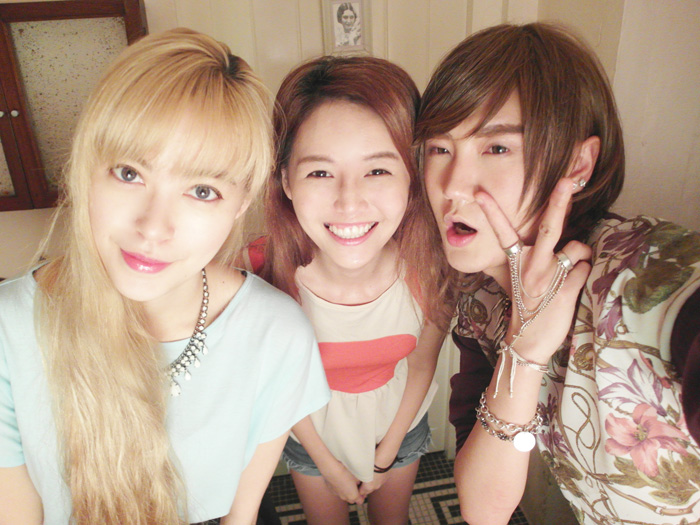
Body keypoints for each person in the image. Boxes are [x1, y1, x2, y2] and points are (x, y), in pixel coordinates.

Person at [0, 28, 330, 524]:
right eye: (129, 173)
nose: (154, 228)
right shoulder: (9, 329)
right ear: (87, 168)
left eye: (202, 191)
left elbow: (241, 514)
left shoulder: (277, 333)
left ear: (240, 204)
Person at [416, 22, 700, 524]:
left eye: (497, 148)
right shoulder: (479, 301)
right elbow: (484, 509)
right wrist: (522, 350)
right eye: (439, 148)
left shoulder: (650, 279)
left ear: (578, 164)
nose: (451, 186)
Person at [246, 56, 454, 524]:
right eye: (320, 173)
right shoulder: (259, 273)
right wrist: (327, 464)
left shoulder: (433, 267)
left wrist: (387, 454)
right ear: (286, 181)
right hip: (309, 438)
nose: (349, 202)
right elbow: (277, 384)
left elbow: (422, 364)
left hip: (399, 427)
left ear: (411, 177)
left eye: (377, 171)